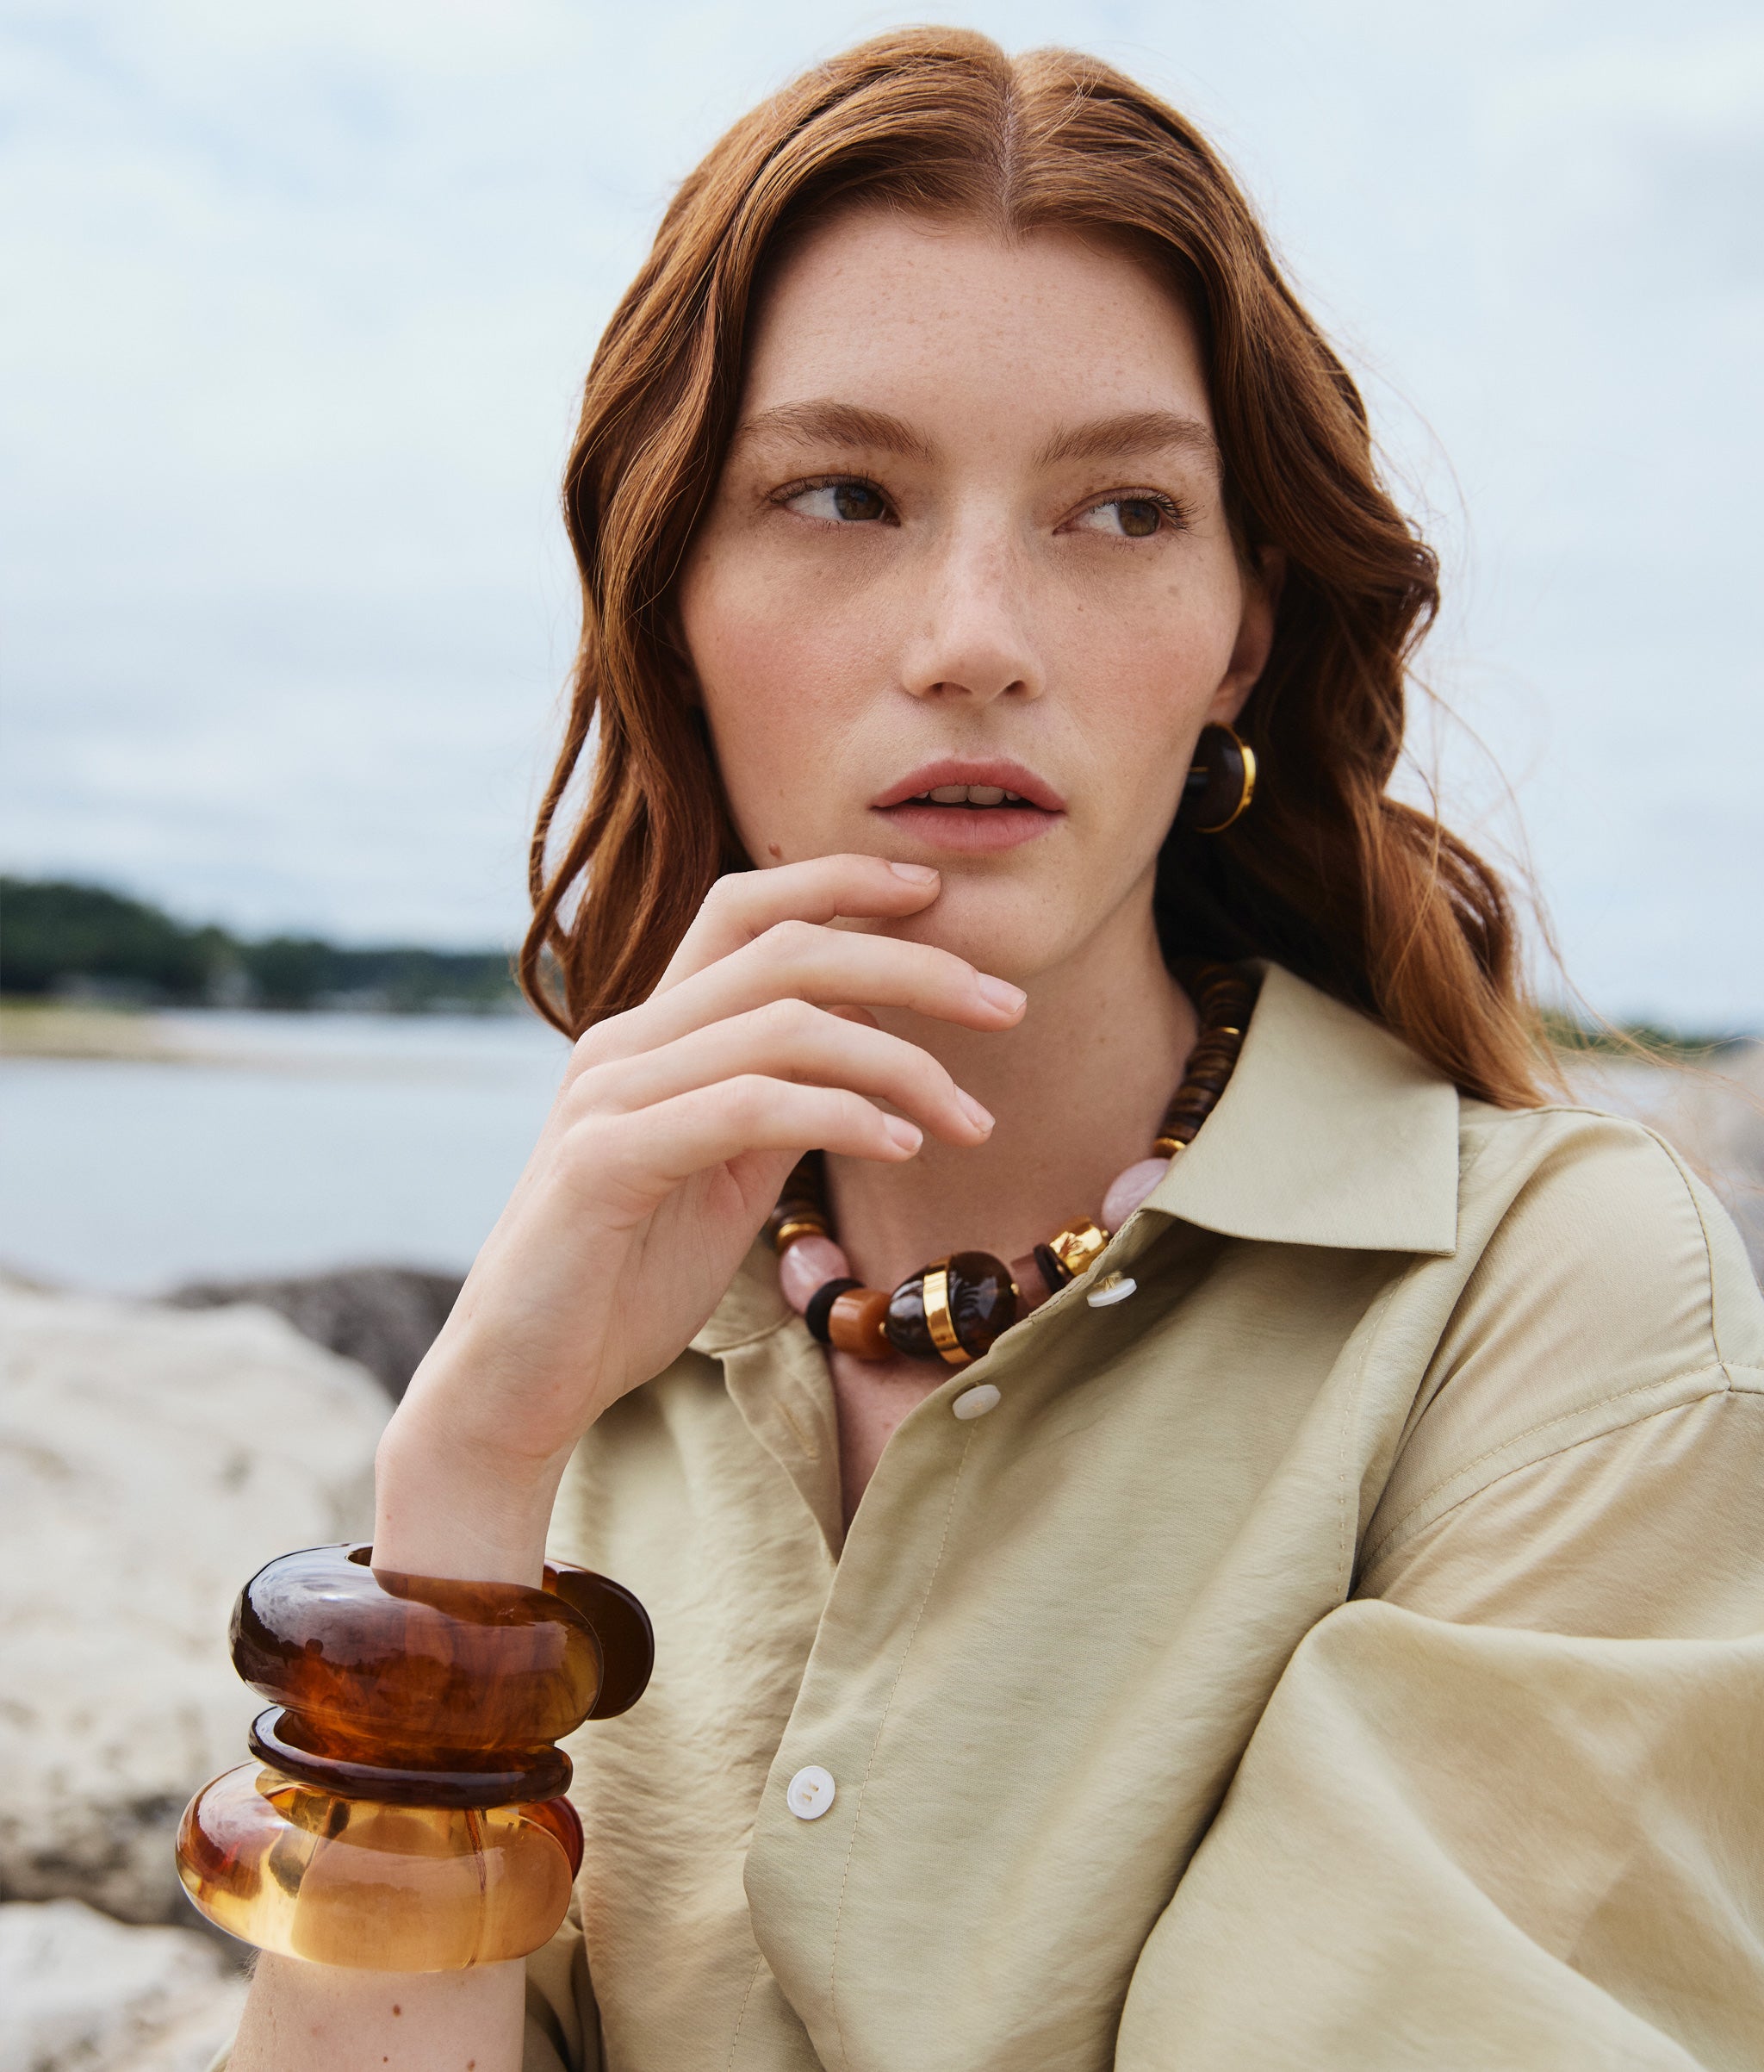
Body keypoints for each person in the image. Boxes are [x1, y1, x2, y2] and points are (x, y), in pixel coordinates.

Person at [216, 29, 1764, 2071]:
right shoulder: (604, 1353)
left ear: (1241, 630)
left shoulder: (1551, 1299)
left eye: (1119, 510)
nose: (972, 638)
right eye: (840, 494)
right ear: (670, 596)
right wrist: (465, 1483)